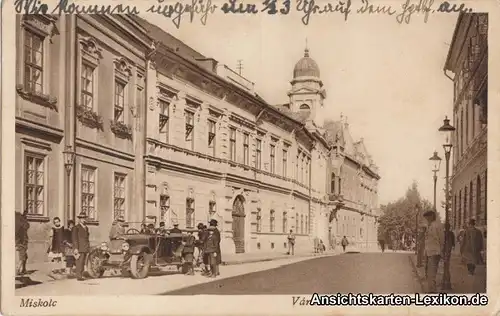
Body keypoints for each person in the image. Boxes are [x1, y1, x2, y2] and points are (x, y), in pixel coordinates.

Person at [423, 209, 444, 293]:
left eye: (427, 217)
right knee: (428, 273)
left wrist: (441, 251)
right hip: (428, 252)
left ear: (431, 216)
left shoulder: (437, 226)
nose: (426, 219)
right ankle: (431, 290)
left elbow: (441, 239)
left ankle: (432, 293)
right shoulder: (429, 226)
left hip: (434, 252)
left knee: (431, 274)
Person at [72, 212, 91, 281]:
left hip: (85, 247)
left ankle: (81, 274)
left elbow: (87, 238)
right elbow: (74, 239)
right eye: (82, 218)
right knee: (79, 262)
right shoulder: (76, 227)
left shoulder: (86, 228)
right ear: (79, 219)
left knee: (83, 262)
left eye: (84, 218)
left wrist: (88, 247)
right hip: (79, 248)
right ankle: (79, 276)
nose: (84, 220)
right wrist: (76, 248)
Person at [15, 210, 30, 275]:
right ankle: (18, 270)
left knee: (25, 256)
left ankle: (24, 269)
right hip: (22, 242)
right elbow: (26, 226)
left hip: (22, 241)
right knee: (22, 256)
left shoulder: (18, 221)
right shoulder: (22, 222)